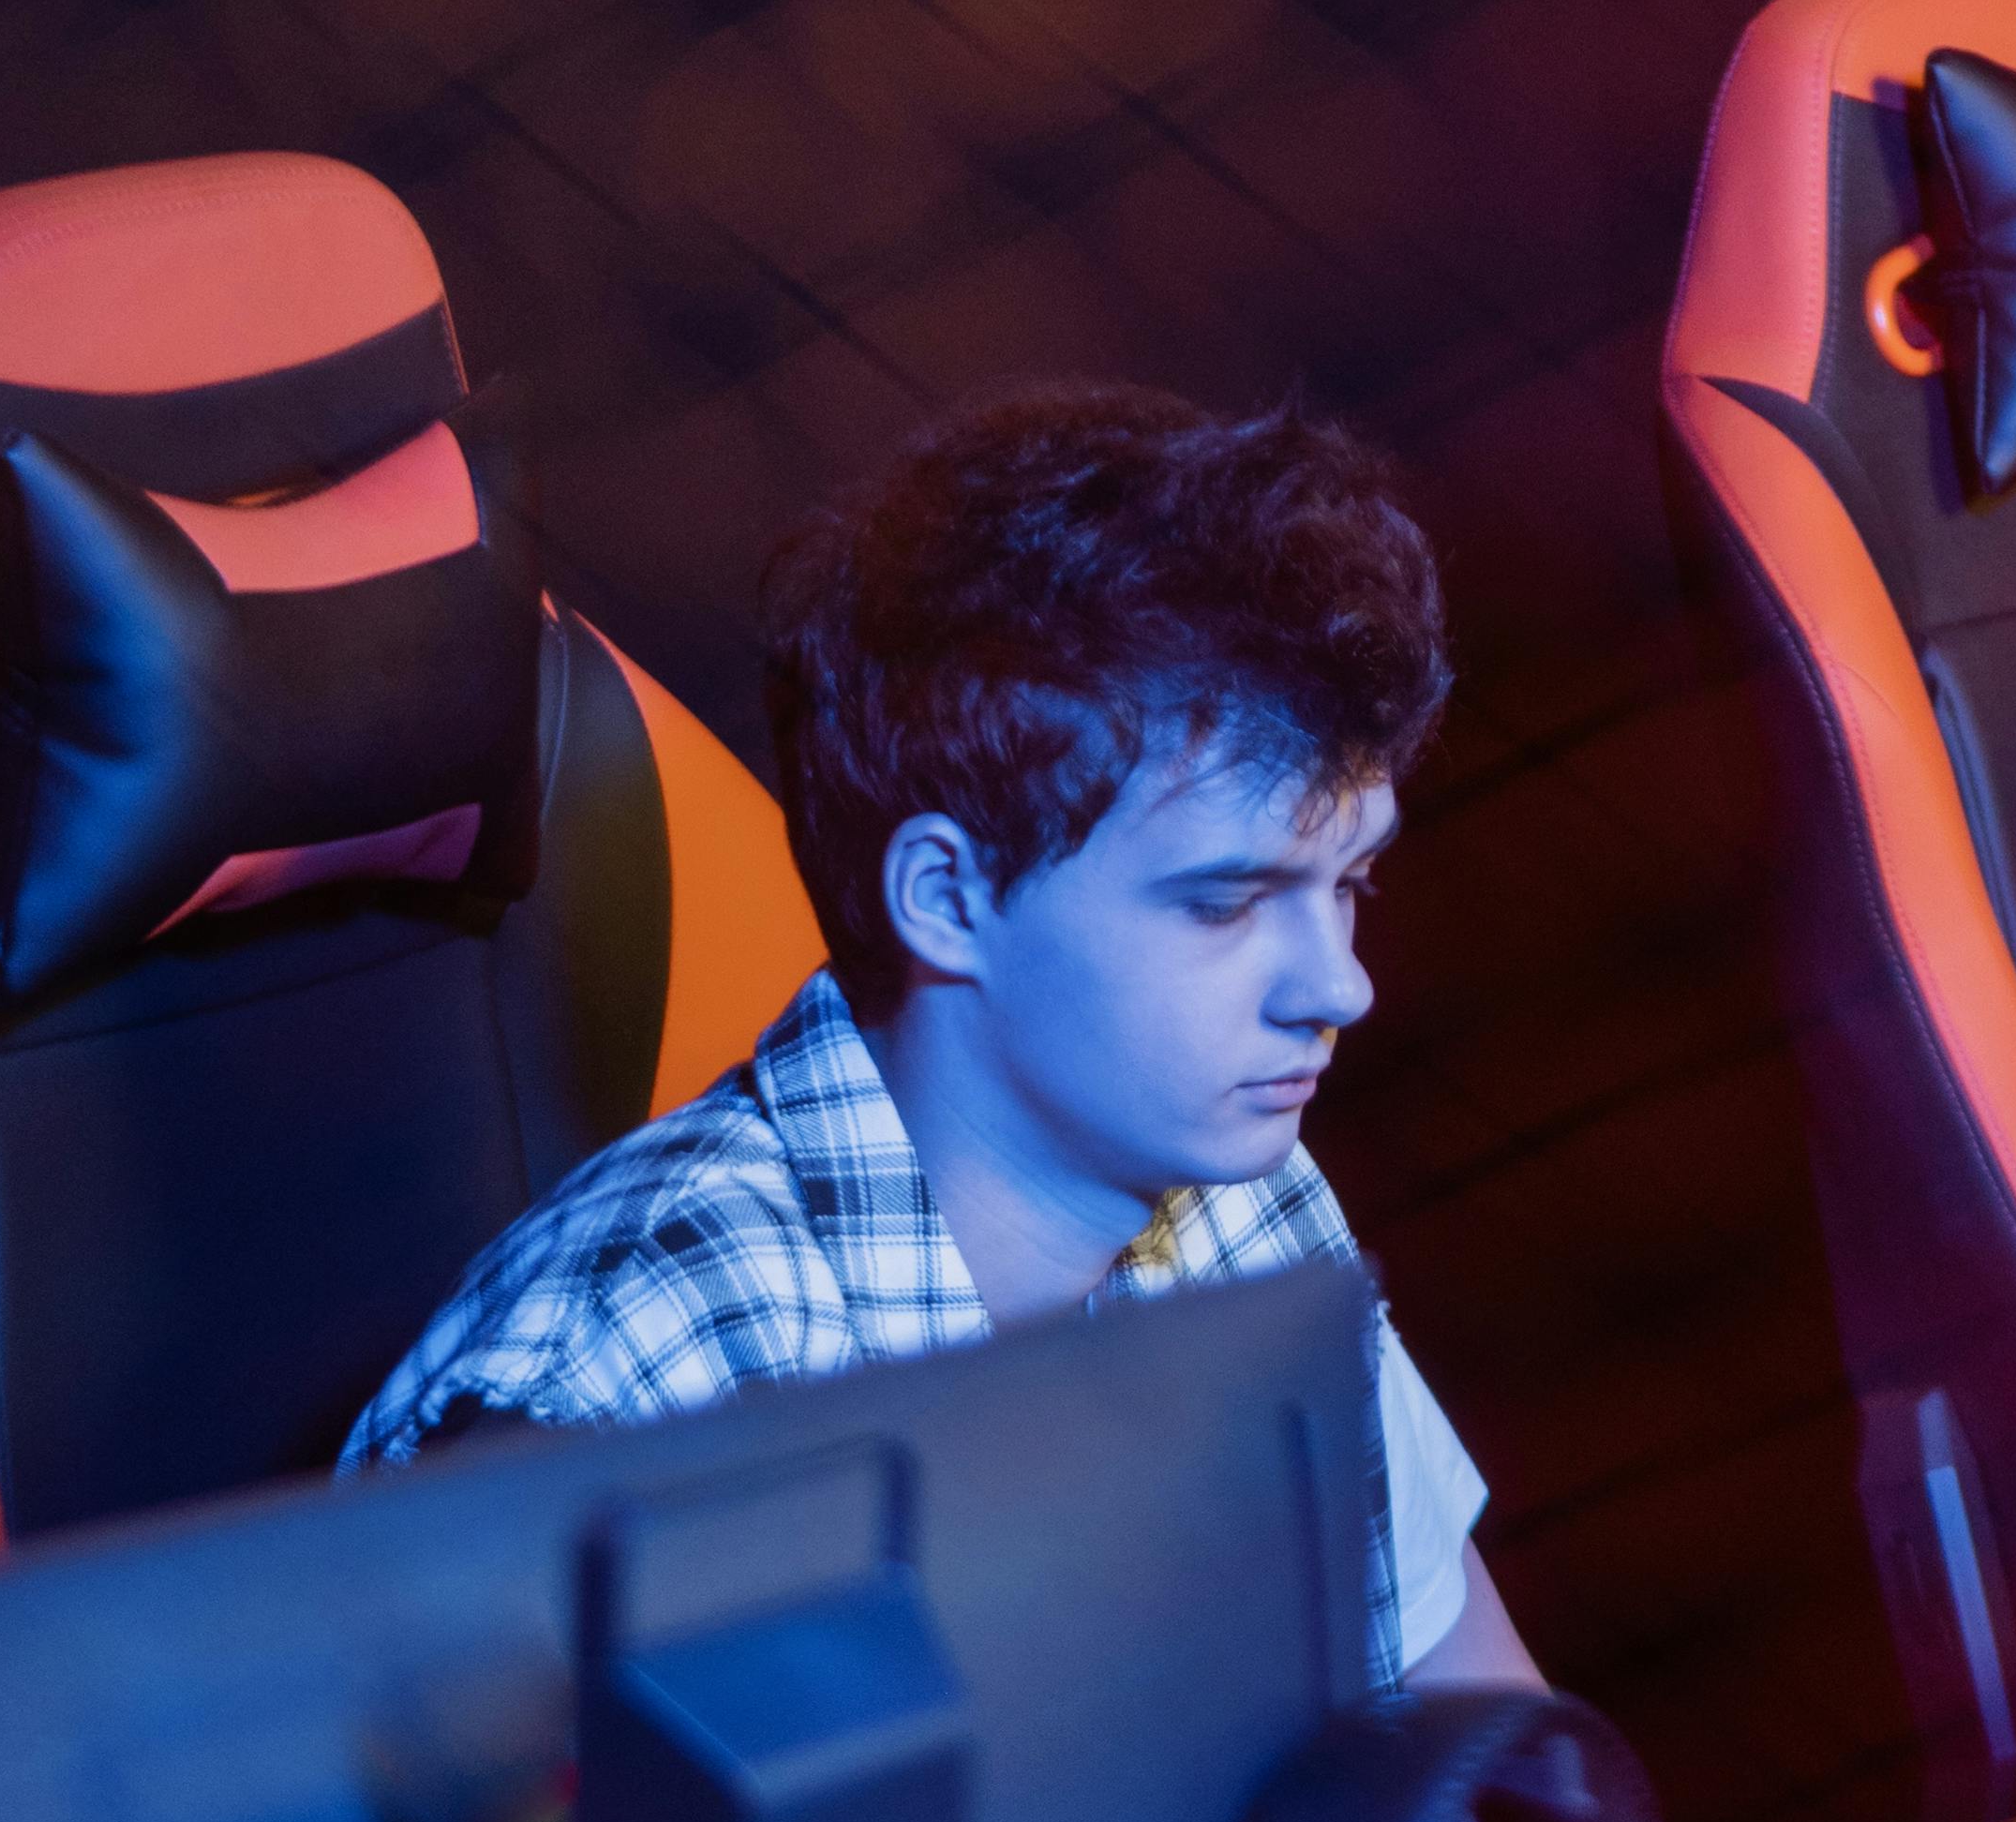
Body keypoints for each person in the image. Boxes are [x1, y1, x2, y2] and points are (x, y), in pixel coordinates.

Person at [345, 382, 1540, 1719]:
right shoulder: (624, 1392)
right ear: (949, 899)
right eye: (1225, 904)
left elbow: (1503, 1793)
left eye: (1349, 886)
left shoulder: (1249, 1197)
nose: (1339, 987)